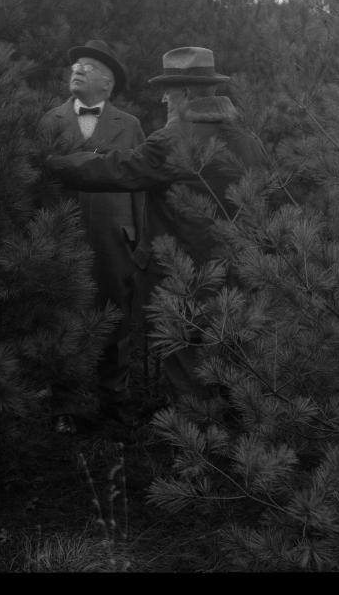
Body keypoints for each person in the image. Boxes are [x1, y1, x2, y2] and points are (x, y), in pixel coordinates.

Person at [46, 46, 265, 403]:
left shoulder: (172, 140)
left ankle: (198, 453)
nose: (163, 98)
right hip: (242, 277)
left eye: (169, 90)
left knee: (189, 376)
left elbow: (117, 170)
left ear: (185, 94)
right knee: (236, 372)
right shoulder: (249, 141)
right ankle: (236, 449)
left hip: (184, 279)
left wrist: (54, 163)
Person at [41, 39, 145, 432]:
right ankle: (63, 408)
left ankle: (114, 405)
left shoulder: (130, 125)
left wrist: (139, 237)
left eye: (88, 67)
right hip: (62, 236)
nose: (77, 70)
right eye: (75, 66)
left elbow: (140, 183)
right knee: (62, 318)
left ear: (108, 84)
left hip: (114, 239)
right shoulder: (49, 122)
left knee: (114, 319)